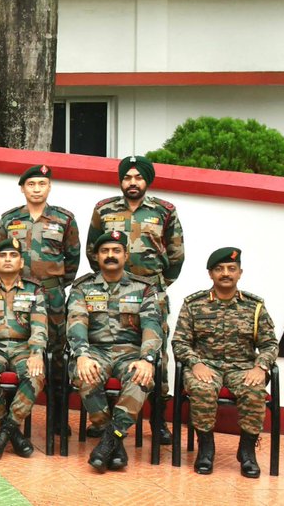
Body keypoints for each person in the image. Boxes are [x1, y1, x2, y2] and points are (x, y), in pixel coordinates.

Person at [87, 155, 184, 445]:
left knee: (155, 356)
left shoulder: (164, 211)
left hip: (151, 294)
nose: (132, 182)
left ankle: (158, 421)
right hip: (110, 294)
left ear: (147, 180)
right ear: (120, 181)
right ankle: (104, 421)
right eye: (127, 178)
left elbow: (176, 256)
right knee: (104, 346)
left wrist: (156, 285)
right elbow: (94, 251)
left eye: (138, 178)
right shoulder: (104, 210)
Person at [173, 247, 278, 478]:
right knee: (201, 389)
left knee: (254, 390)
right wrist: (194, 363)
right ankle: (206, 449)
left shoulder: (255, 307)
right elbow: (179, 342)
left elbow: (270, 344)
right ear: (210, 274)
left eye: (232, 268)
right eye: (219, 269)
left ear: (240, 273)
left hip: (243, 367)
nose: (226, 273)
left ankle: (247, 451)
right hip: (205, 365)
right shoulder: (194, 304)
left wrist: (261, 366)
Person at [66, 231, 162, 473]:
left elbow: (152, 326)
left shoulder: (144, 288)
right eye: (105, 251)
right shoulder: (82, 287)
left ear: (126, 255)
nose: (110, 255)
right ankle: (115, 443)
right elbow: (76, 322)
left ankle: (108, 440)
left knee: (140, 378)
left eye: (116, 251)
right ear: (96, 257)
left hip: (131, 353)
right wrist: (82, 355)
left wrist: (147, 359)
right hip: (95, 350)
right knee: (86, 376)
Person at [0, 164, 78, 434]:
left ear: (49, 187)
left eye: (42, 184)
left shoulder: (64, 219)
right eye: (31, 184)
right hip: (16, 294)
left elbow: (73, 257)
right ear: (23, 188)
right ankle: (10, 415)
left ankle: (57, 417)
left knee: (54, 354)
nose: (36, 189)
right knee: (15, 346)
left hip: (51, 294)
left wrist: (56, 285)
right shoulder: (9, 220)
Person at [0, 238, 47, 460]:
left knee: (35, 374)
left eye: (13, 256)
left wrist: (36, 354)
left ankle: (5, 431)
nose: (7, 260)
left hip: (24, 348)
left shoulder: (35, 289)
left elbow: (39, 326)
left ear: (21, 262)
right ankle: (13, 432)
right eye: (2, 256)